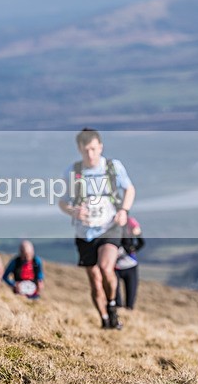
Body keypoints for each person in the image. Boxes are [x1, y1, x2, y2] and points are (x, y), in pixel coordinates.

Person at [58, 128, 135, 330]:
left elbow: (129, 189)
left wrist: (124, 211)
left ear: (100, 147)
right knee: (94, 279)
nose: (90, 154)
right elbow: (63, 202)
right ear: (79, 149)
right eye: (86, 150)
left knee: (105, 267)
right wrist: (73, 211)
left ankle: (112, 305)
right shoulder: (72, 172)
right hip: (85, 232)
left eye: (93, 149)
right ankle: (104, 319)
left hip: (110, 226)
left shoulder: (113, 167)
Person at [115, 216, 145, 309]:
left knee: (130, 302)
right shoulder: (108, 224)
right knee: (116, 301)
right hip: (114, 268)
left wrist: (132, 249)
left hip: (130, 266)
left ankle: (128, 315)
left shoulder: (130, 222)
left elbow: (141, 243)